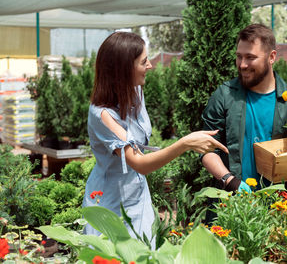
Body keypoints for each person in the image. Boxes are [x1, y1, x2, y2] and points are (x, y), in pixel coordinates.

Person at [82, 32, 228, 248]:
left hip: (138, 197)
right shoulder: (103, 115)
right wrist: (185, 143)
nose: (150, 65)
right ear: (123, 69)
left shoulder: (135, 91)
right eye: (143, 61)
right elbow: (140, 164)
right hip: (109, 204)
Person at [201, 23, 287, 197]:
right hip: (231, 204)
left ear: (271, 57)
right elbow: (207, 148)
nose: (242, 65)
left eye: (250, 57)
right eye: (239, 56)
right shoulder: (225, 95)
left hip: (279, 203)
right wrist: (229, 180)